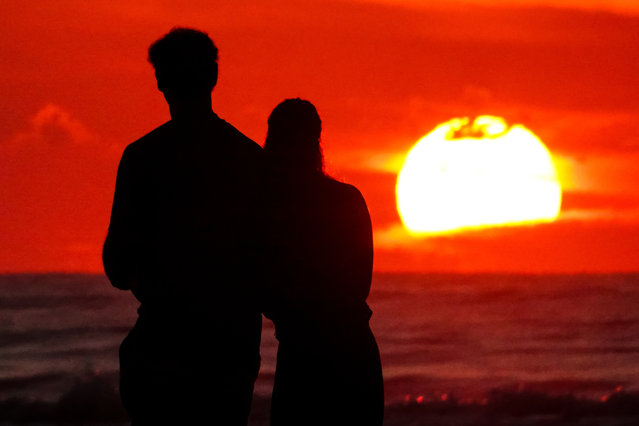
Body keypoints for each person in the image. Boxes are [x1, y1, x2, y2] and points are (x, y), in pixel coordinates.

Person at [103, 28, 263, 425]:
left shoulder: (142, 158)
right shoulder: (250, 159)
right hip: (231, 351)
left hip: (164, 348)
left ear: (160, 82)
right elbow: (271, 262)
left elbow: (117, 266)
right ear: (213, 77)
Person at [260, 99, 384, 425]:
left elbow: (265, 292)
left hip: (304, 355)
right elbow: (360, 285)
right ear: (316, 139)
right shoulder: (348, 199)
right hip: (352, 352)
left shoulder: (268, 210)